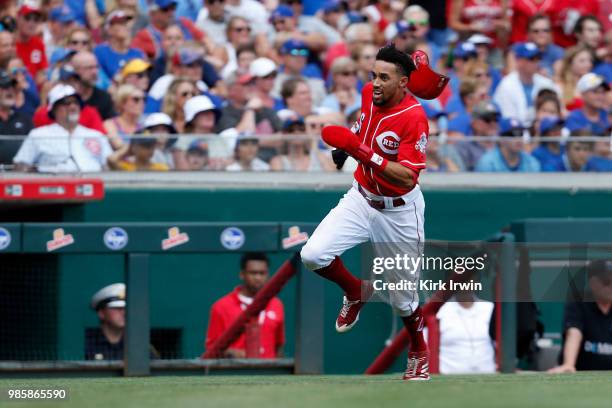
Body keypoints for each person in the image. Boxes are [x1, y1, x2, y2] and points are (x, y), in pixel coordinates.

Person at [300, 44, 449, 381]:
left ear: (404, 83)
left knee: (402, 298)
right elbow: (363, 129)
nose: (376, 82)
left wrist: (363, 153)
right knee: (313, 254)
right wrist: (346, 148)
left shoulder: (414, 117)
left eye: (385, 77)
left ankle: (418, 349)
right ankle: (356, 291)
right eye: (374, 75)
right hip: (361, 197)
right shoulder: (370, 94)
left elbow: (408, 176)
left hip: (399, 211)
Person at [14, 84, 112, 173]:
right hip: (54, 187)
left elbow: (109, 165)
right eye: (66, 103)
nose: (73, 106)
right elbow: (20, 164)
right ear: (54, 109)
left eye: (76, 102)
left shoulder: (95, 135)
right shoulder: (38, 135)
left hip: (93, 186)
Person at [205, 252, 285, 359]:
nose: (258, 278)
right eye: (253, 273)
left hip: (268, 373)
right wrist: (238, 355)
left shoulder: (276, 305)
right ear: (242, 274)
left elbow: (279, 345)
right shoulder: (221, 306)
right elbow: (212, 349)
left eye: (262, 273)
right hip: (236, 372)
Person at [548, 260, 612, 372]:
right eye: (607, 281)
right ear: (593, 283)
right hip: (581, 374)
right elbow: (574, 332)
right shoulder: (579, 302)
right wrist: (569, 364)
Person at [85, 283, 160, 360]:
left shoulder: (139, 345)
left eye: (126, 308)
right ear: (101, 313)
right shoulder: (86, 344)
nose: (124, 313)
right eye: (117, 308)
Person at [493, 42, 556, 126]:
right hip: (515, 132)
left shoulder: (546, 83)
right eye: (531, 59)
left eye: (538, 58)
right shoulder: (506, 85)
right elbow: (508, 118)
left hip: (543, 131)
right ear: (519, 61)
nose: (536, 62)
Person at [94, 10, 145, 83]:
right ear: (109, 29)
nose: (125, 26)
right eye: (120, 23)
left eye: (125, 23)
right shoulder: (100, 52)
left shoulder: (137, 53)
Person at [475, 118, 541, 172]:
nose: (518, 139)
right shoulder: (487, 163)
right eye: (512, 134)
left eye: (521, 134)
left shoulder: (531, 163)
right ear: (501, 139)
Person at [0, 70, 33, 165]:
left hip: (19, 174)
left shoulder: (25, 119)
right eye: (4, 87)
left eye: (13, 88)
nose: (10, 91)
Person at [15, 2, 47, 87]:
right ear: (18, 18)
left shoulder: (39, 43)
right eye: (27, 18)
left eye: (36, 20)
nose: (31, 23)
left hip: (33, 90)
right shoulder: (9, 42)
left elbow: (41, 71)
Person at [103, 84, 146, 148]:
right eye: (136, 99)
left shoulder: (144, 125)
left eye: (144, 99)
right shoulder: (110, 124)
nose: (141, 103)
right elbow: (118, 145)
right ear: (122, 102)